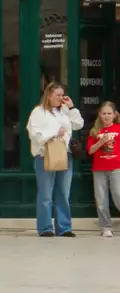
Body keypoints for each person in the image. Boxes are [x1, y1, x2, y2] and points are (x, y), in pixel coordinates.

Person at [28, 82, 83, 238]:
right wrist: (54, 132)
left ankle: (64, 227)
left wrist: (72, 108)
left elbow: (79, 124)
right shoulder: (38, 112)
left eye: (62, 94)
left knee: (63, 192)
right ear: (49, 95)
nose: (61, 98)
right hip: (45, 155)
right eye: (58, 95)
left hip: (65, 154)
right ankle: (45, 228)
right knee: (45, 194)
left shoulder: (65, 111)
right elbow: (34, 133)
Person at [88, 101, 120, 238]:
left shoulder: (118, 129)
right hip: (99, 168)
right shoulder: (95, 132)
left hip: (116, 167)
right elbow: (90, 150)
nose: (106, 116)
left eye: (109, 113)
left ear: (114, 115)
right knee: (101, 199)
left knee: (118, 195)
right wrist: (100, 142)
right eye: (104, 113)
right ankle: (106, 227)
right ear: (99, 115)